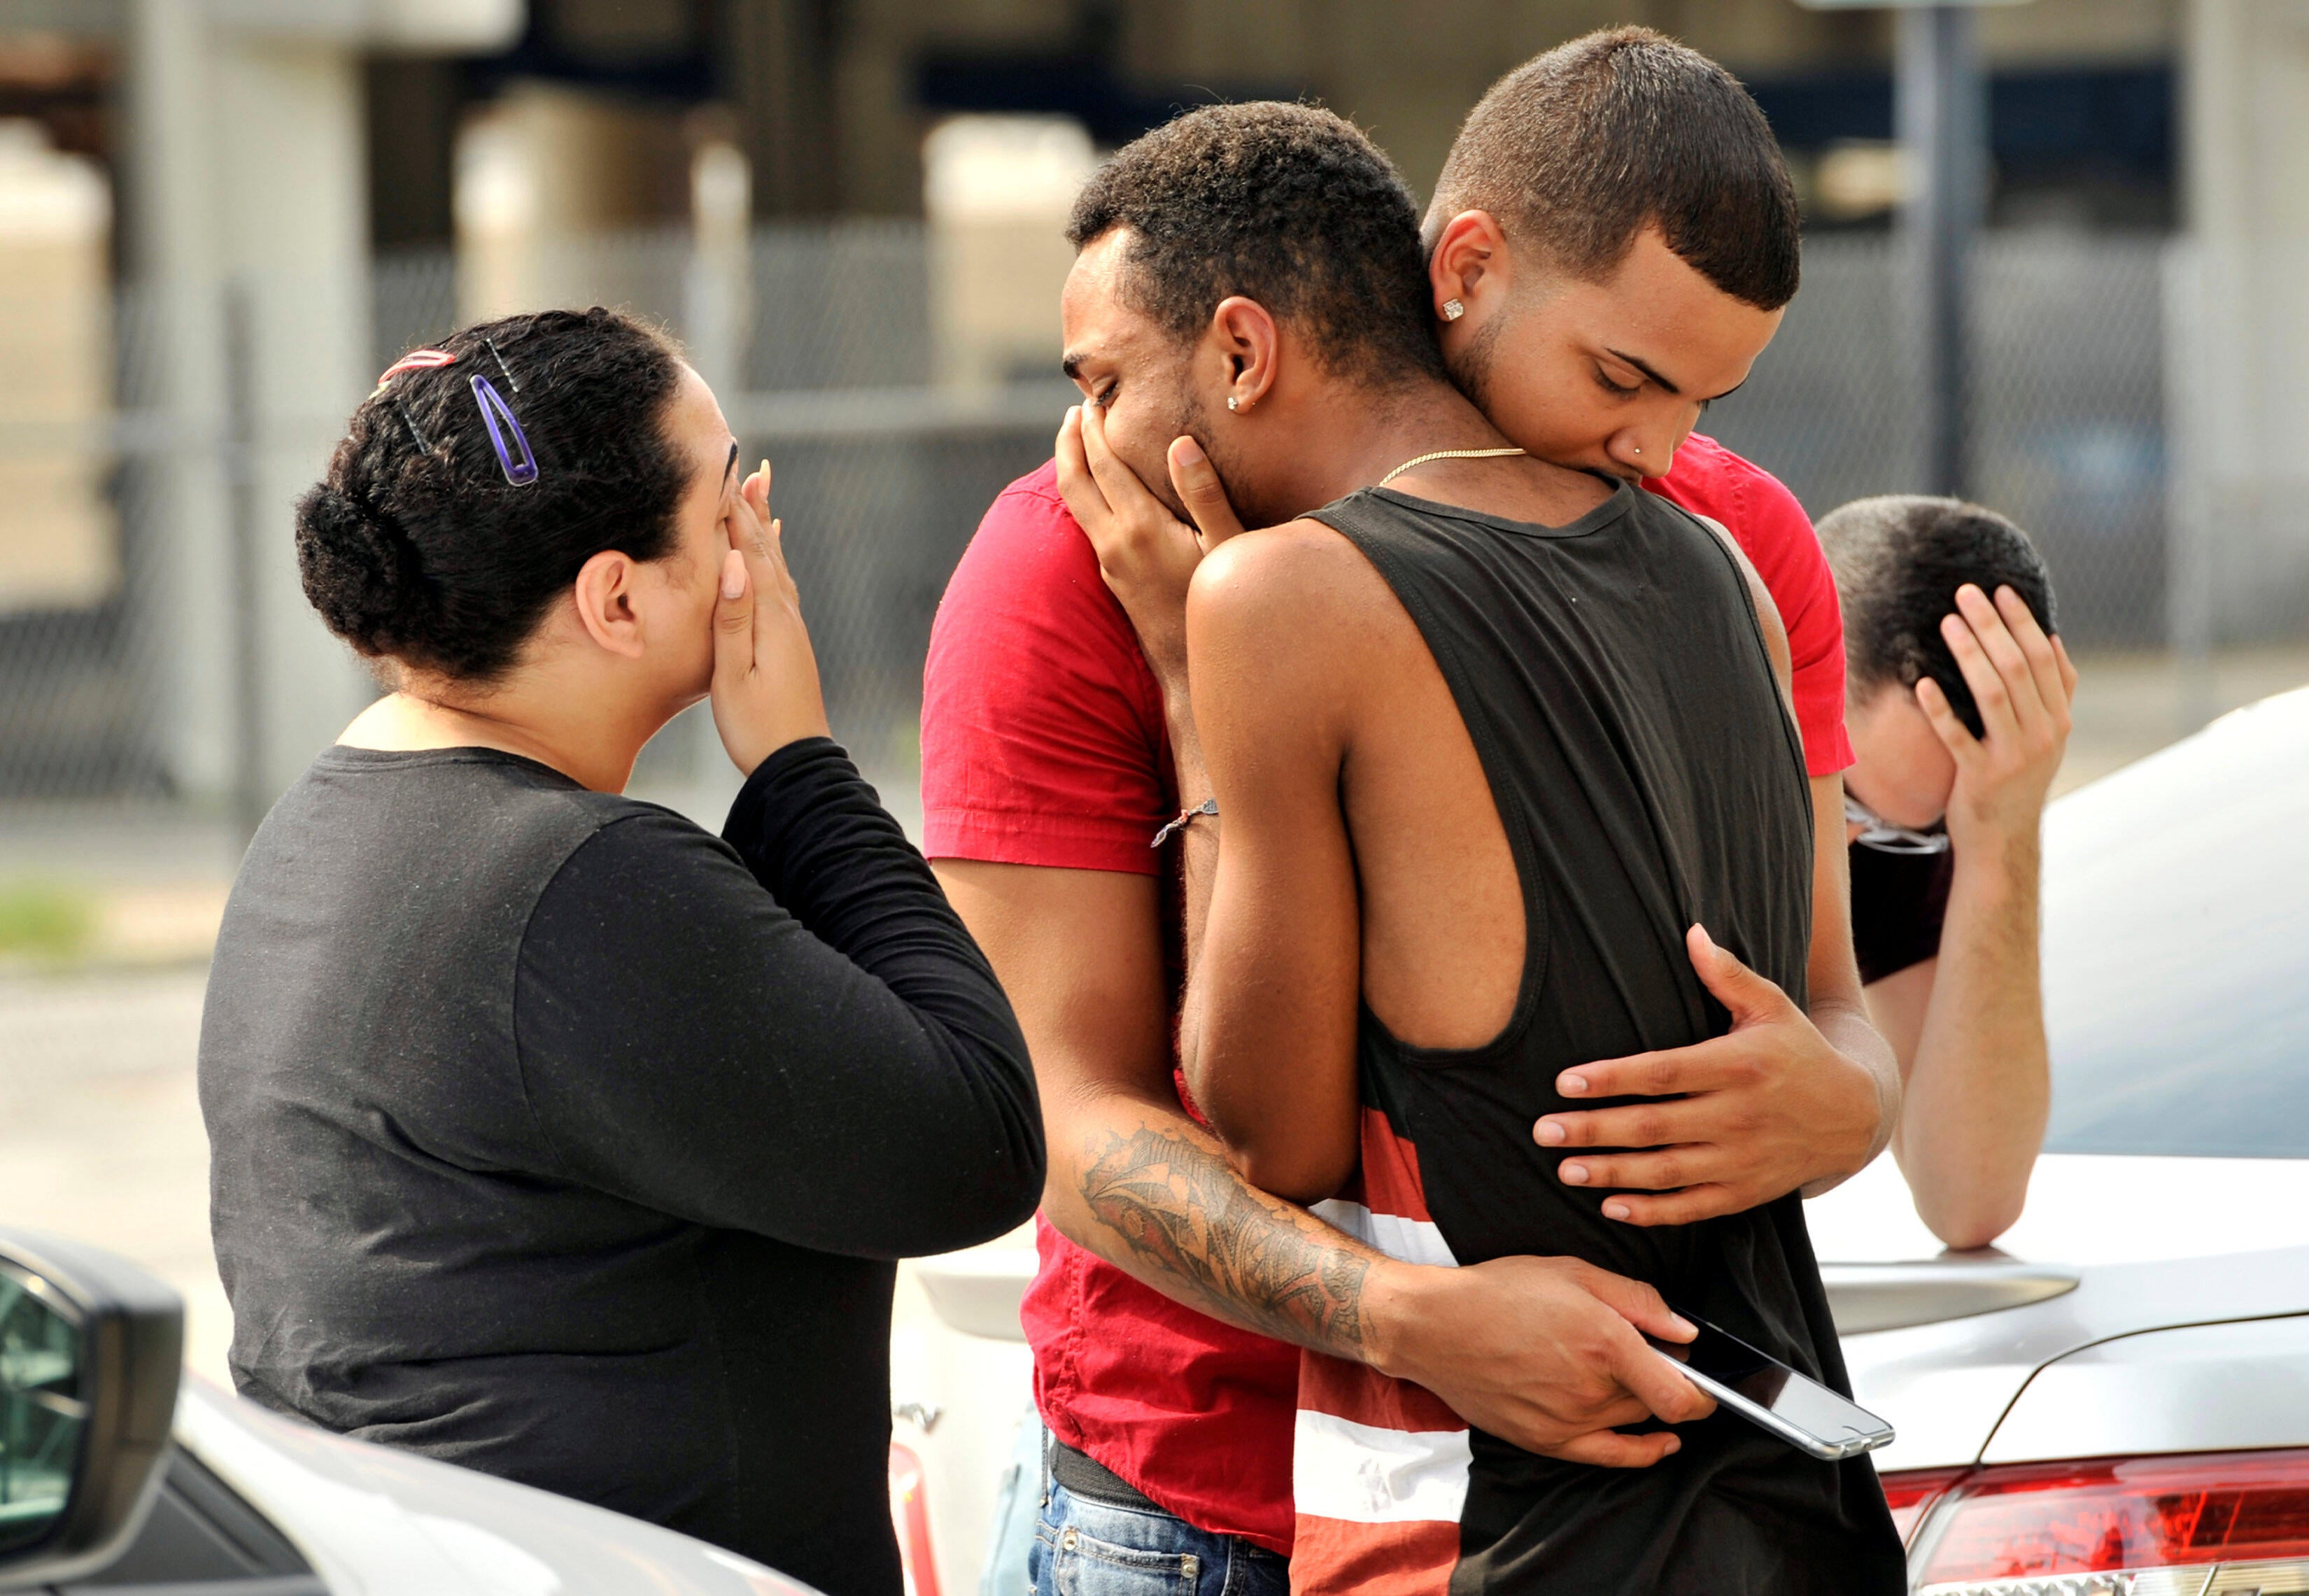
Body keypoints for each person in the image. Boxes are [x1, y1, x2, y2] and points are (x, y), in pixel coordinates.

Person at [923, 28, 1897, 1595]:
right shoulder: (1064, 563)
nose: (1659, 449)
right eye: (1625, 379)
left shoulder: (1724, 532)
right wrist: (1411, 1322)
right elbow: (1067, 1112)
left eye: (1697, 399)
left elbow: (1836, 1013)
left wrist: (1852, 1100)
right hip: (1205, 1502)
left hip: (1596, 1482)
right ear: (1463, 268)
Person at [199, 308, 1043, 1596]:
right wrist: (805, 768)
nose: (758, 537)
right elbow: (975, 1142)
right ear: (615, 595)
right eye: (726, 505)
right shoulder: (577, 885)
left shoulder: (322, 824)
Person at [1818, 495, 2075, 1248]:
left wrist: (2000, 838)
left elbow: (1969, 1199)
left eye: (1906, 832)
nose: (1853, 843)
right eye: (1842, 795)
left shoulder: (1903, 833)